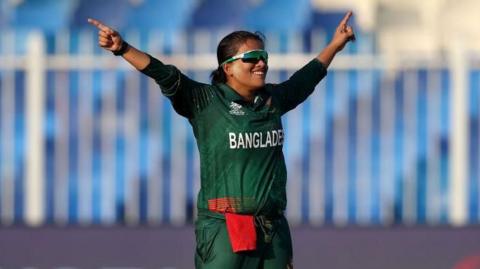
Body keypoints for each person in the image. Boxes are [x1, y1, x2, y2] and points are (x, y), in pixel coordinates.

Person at [88, 11, 355, 269]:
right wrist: (122, 48)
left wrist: (334, 45)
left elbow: (305, 80)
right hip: (225, 227)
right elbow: (165, 74)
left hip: (273, 229)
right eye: (252, 57)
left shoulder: (272, 100)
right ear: (228, 67)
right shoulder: (206, 101)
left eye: (263, 56)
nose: (261, 63)